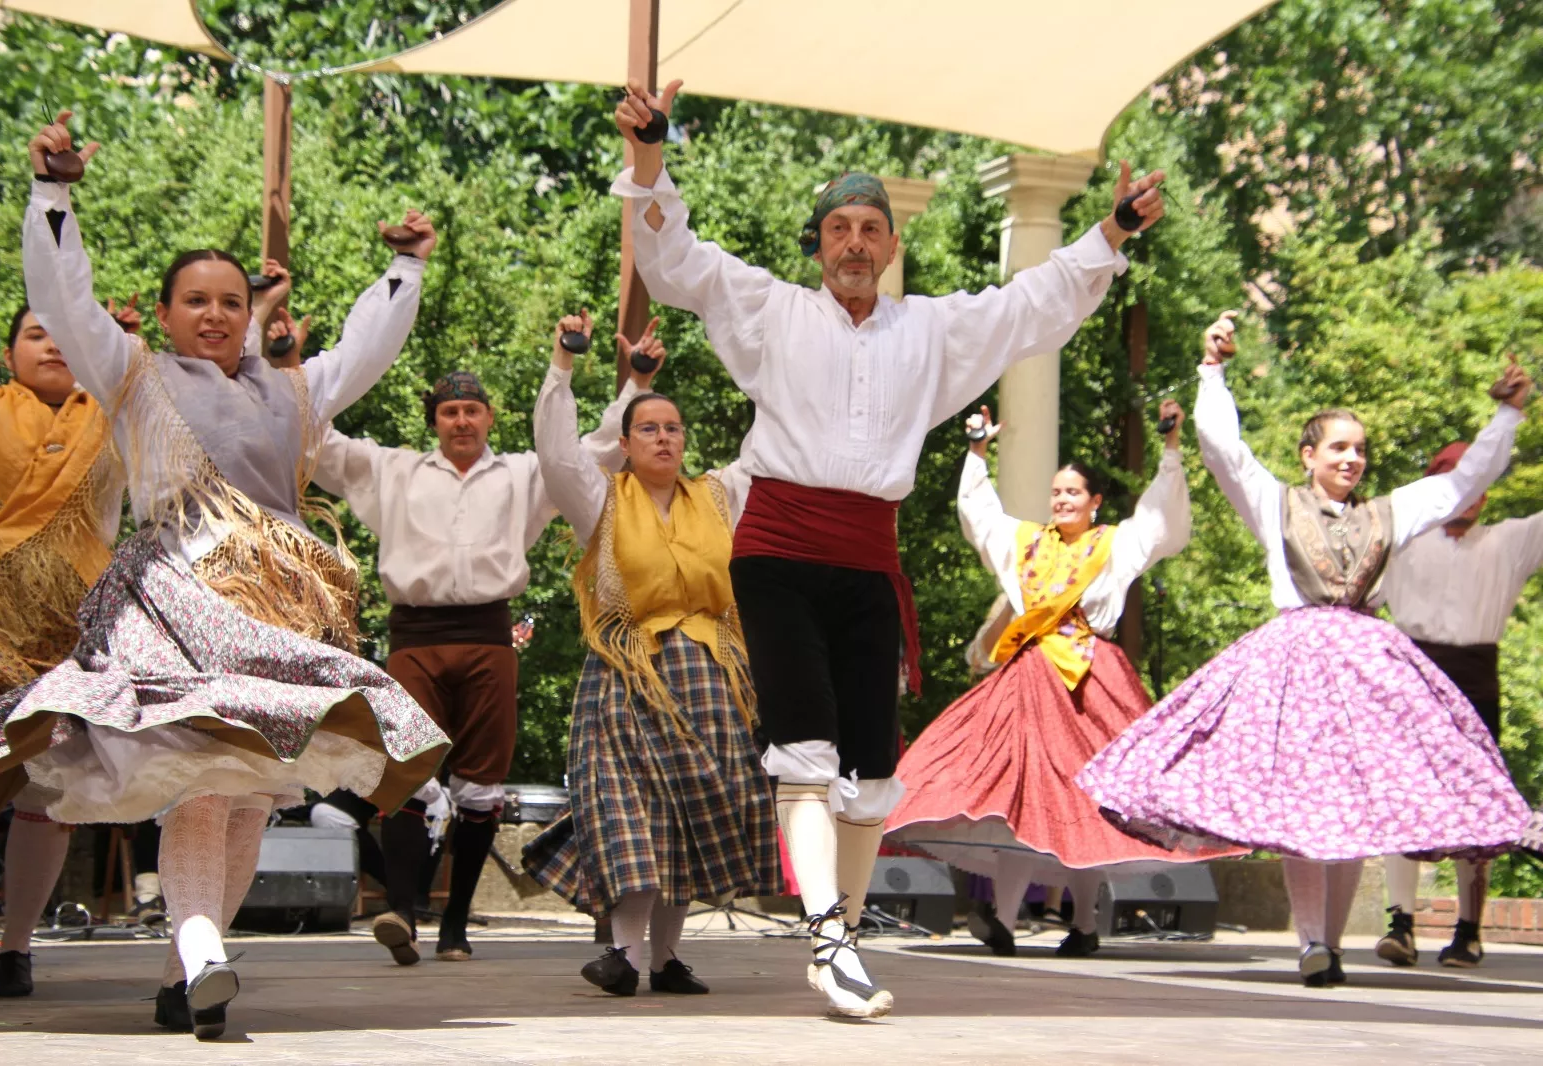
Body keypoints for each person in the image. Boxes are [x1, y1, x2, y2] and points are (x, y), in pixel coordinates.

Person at [610, 78, 1161, 1017]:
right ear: (818, 247)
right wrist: (651, 155)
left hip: (869, 559)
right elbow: (675, 261)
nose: (856, 243)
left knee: (871, 773)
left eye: (871, 228)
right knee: (806, 750)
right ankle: (827, 935)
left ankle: (842, 941)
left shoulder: (931, 331)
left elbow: (1035, 302)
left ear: (891, 245)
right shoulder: (769, 309)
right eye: (840, 230)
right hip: (777, 552)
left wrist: (1109, 233)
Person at [0, 111, 450, 1040]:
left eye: (229, 300)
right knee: (199, 781)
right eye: (196, 301)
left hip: (280, 614)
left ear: (246, 311)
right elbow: (62, 301)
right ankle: (203, 950)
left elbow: (367, 350)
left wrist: (406, 268)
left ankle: (193, 970)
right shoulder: (133, 374)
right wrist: (53, 194)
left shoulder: (291, 390)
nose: (215, 314)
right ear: (167, 312)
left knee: (255, 790)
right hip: (175, 602)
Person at [1078, 311, 1534, 987]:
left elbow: (1460, 486)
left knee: (1345, 807)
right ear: (1308, 456)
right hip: (1293, 664)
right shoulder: (1275, 502)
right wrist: (1213, 371)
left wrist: (1508, 418)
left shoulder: (1390, 512)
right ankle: (1312, 943)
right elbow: (1223, 450)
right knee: (1299, 806)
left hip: (1366, 668)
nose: (1352, 459)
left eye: (1360, 450)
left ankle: (1331, 946)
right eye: (1339, 448)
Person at [311, 311, 641, 965]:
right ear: (435, 421)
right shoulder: (395, 471)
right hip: (415, 639)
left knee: (480, 786)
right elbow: (316, 444)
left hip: (489, 637)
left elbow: (595, 451)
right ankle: (403, 912)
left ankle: (456, 925)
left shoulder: (525, 473)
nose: (461, 420)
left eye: (472, 410)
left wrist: (631, 384)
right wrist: (288, 360)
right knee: (402, 773)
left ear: (490, 418)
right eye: (450, 411)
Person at [887, 401, 1243, 956]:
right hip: (1029, 680)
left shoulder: (1114, 544)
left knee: (1087, 799)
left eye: (1073, 493)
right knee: (1015, 794)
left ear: (1096, 502)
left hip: (1089, 684)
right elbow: (980, 517)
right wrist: (977, 452)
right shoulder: (1029, 542)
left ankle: (1083, 924)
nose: (1061, 500)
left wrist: (1171, 451)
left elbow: (1159, 519)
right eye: (1056, 492)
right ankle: (1002, 920)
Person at [523, 312, 781, 998]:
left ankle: (665, 959)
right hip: (625, 673)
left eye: (672, 428)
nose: (663, 437)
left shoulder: (721, 494)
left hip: (710, 674)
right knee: (629, 810)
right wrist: (563, 365)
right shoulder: (600, 498)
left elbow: (770, 440)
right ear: (625, 443)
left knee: (692, 812)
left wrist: (778, 362)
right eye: (648, 428)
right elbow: (554, 452)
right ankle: (626, 957)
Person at [0, 298, 135, 994]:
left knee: (49, 801)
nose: (51, 344)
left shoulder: (120, 416)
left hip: (75, 639)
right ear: (8, 354)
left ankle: (16, 949)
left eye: (65, 334)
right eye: (34, 333)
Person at [1374, 436, 1543, 969]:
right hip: (1411, 680)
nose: (1465, 481)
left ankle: (1468, 929)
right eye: (1451, 470)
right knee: (1404, 798)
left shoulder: (1510, 541)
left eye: (1475, 472)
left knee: (1478, 804)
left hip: (1475, 684)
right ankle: (1400, 923)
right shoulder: (1399, 543)